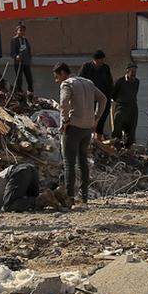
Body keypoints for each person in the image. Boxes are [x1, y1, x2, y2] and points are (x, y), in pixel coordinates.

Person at [55, 62, 106, 203]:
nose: (56, 80)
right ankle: (84, 196)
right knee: (83, 161)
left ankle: (69, 197)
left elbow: (64, 101)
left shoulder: (67, 84)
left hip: (73, 128)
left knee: (69, 163)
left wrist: (65, 121)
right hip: (87, 129)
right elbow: (103, 99)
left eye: (56, 76)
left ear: (62, 73)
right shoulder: (88, 83)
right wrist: (96, 118)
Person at [79, 49, 116, 137]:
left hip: (103, 97)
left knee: (101, 119)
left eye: (103, 60)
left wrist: (111, 95)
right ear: (95, 60)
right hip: (90, 99)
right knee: (90, 120)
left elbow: (109, 82)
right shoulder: (87, 67)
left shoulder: (105, 68)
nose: (102, 62)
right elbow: (80, 81)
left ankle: (98, 137)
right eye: (100, 60)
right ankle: (89, 137)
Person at [110, 63, 140, 149]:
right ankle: (116, 146)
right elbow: (114, 95)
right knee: (118, 124)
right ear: (127, 71)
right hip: (121, 106)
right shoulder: (120, 81)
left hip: (132, 107)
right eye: (132, 71)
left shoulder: (137, 82)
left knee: (131, 129)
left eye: (135, 71)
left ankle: (128, 148)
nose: (134, 73)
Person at [10, 24, 34, 98]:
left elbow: (28, 49)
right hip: (18, 63)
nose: (22, 32)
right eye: (20, 30)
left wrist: (29, 58)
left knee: (29, 78)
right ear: (16, 31)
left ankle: (30, 92)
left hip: (26, 62)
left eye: (23, 31)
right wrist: (16, 56)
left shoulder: (25, 40)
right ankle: (19, 93)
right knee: (19, 78)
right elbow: (12, 52)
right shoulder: (14, 40)